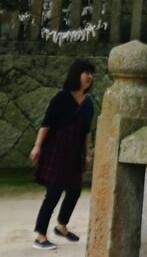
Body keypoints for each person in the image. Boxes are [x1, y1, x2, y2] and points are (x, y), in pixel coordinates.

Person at [30, 57, 96, 246]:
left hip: (74, 153)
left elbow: (85, 132)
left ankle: (61, 226)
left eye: (92, 73)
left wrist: (87, 154)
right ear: (77, 75)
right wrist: (37, 146)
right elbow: (47, 124)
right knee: (53, 193)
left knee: (75, 190)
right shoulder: (61, 98)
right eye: (86, 72)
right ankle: (40, 236)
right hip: (56, 150)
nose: (90, 76)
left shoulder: (88, 104)